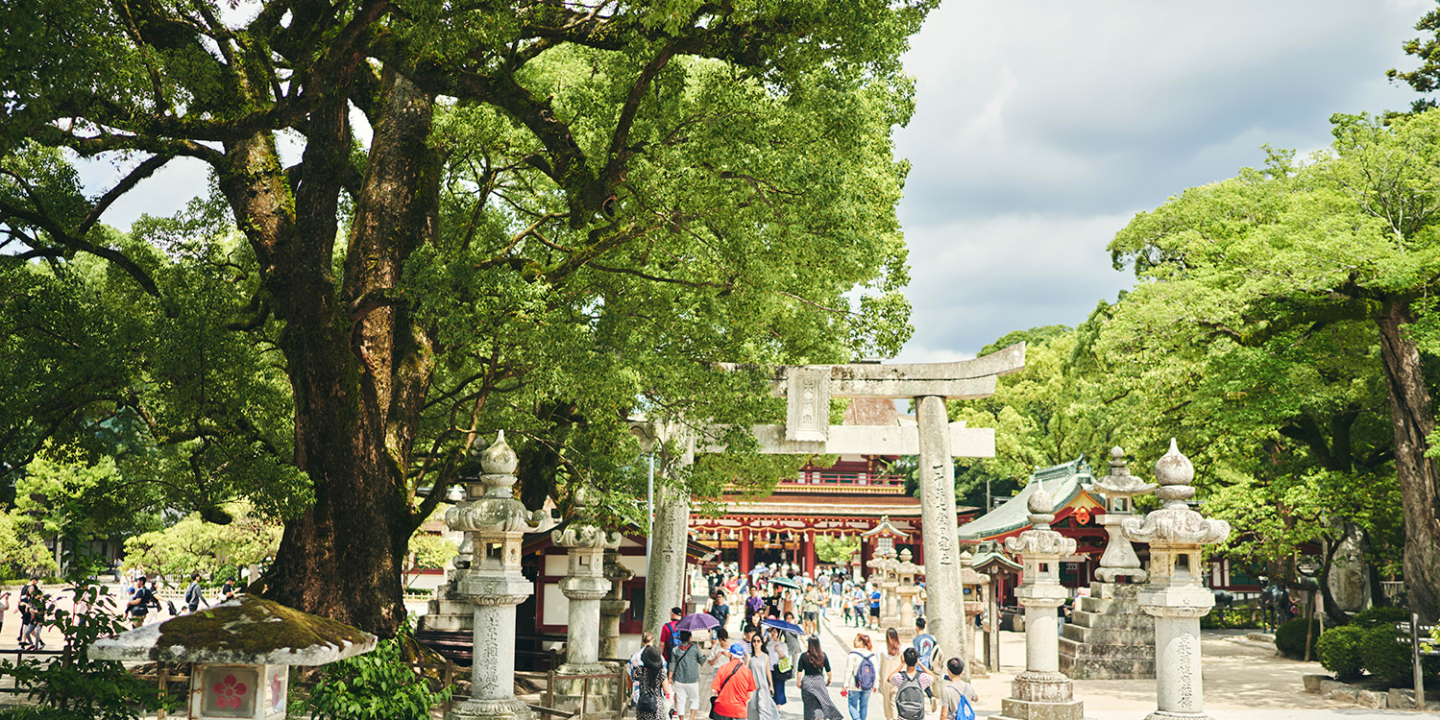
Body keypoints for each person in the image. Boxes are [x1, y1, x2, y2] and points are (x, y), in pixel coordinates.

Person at [798, 636, 843, 720]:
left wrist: (798, 682)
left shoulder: (804, 656)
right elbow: (828, 670)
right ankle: (825, 717)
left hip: (807, 681)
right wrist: (830, 679)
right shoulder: (822, 655)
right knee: (821, 703)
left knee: (809, 705)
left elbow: (799, 671)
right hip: (819, 681)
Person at [711, 643, 757, 720]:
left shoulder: (722, 668)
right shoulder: (747, 671)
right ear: (742, 656)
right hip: (739, 711)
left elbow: (714, 690)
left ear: (730, 655)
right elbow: (749, 696)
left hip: (722, 710)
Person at [889, 648, 933, 720]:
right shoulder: (922, 677)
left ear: (905, 660)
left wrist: (902, 664)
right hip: (918, 715)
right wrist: (920, 663)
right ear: (916, 660)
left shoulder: (899, 677)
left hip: (903, 715)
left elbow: (889, 678)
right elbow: (933, 677)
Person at [843, 632, 878, 720]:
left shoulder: (853, 655)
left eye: (856, 640)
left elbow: (848, 670)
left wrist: (845, 684)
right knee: (864, 705)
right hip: (867, 685)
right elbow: (875, 672)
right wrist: (876, 684)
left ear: (861, 642)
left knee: (852, 705)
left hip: (854, 684)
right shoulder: (872, 656)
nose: (854, 642)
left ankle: (857, 719)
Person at [671, 630, 703, 720]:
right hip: (692, 678)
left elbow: (672, 664)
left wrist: (670, 677)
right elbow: (702, 661)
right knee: (694, 699)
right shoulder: (695, 648)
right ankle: (691, 718)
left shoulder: (675, 650)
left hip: (679, 679)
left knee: (681, 701)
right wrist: (701, 653)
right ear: (690, 637)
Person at [635, 645, 672, 720]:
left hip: (643, 704)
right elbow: (666, 689)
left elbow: (633, 677)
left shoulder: (639, 670)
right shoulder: (661, 672)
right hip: (656, 706)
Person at [746, 634, 778, 720]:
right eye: (754, 641)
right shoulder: (749, 657)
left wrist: (771, 685)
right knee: (752, 708)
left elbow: (768, 671)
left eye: (758, 641)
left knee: (764, 708)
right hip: (752, 687)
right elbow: (745, 672)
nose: (756, 643)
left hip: (763, 685)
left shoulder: (765, 656)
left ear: (761, 643)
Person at [879, 629, 905, 720]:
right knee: (894, 699)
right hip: (897, 677)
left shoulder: (882, 648)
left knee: (886, 700)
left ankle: (889, 717)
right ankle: (895, 717)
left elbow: (878, 664)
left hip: (885, 676)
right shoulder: (901, 648)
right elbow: (904, 664)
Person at [764, 626, 791, 705]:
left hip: (779, 669)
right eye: (772, 631)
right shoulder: (769, 644)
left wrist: (779, 650)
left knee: (779, 688)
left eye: (775, 632)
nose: (772, 633)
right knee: (770, 688)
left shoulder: (783, 645)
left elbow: (785, 658)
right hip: (770, 668)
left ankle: (778, 707)